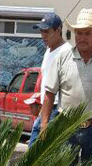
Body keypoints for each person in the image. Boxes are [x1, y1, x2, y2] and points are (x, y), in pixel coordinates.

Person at [40, 8, 92, 159]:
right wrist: (44, 125)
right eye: (79, 33)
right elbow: (49, 93)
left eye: (87, 33)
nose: (82, 38)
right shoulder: (62, 58)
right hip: (65, 127)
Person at [28, 13, 70, 146]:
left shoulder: (67, 52)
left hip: (57, 110)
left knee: (38, 153)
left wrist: (45, 121)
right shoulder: (48, 50)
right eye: (41, 31)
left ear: (58, 31)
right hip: (44, 109)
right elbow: (45, 78)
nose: (43, 35)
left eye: (47, 31)